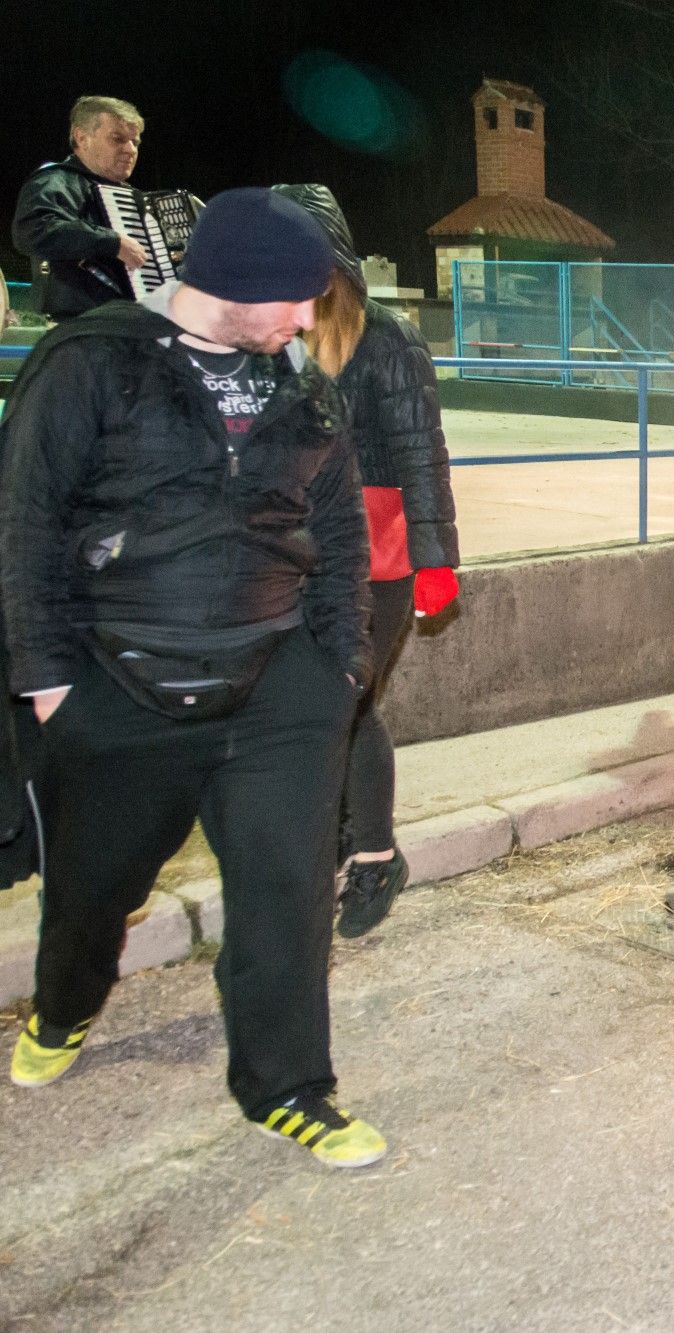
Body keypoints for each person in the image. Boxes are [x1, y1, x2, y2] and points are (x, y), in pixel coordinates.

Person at [2, 189, 385, 1167]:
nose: (308, 319)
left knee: (286, 891)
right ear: (236, 283)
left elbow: (339, 532)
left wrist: (340, 664)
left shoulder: (301, 386)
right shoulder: (94, 361)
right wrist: (48, 682)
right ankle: (64, 1006)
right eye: (296, 299)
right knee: (94, 887)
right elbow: (28, 521)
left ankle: (292, 1086)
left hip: (278, 688)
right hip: (117, 682)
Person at [274, 185, 460, 939]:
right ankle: (345, 840)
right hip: (299, 545)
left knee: (347, 702)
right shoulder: (276, 332)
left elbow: (421, 449)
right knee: (319, 708)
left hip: (379, 548)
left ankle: (377, 854)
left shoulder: (385, 335)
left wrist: (435, 558)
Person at [12, 97, 150, 321]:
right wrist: (113, 242)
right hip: (78, 329)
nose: (130, 149)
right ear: (82, 138)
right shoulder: (56, 180)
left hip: (125, 327)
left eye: (135, 142)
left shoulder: (133, 197)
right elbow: (33, 230)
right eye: (118, 139)